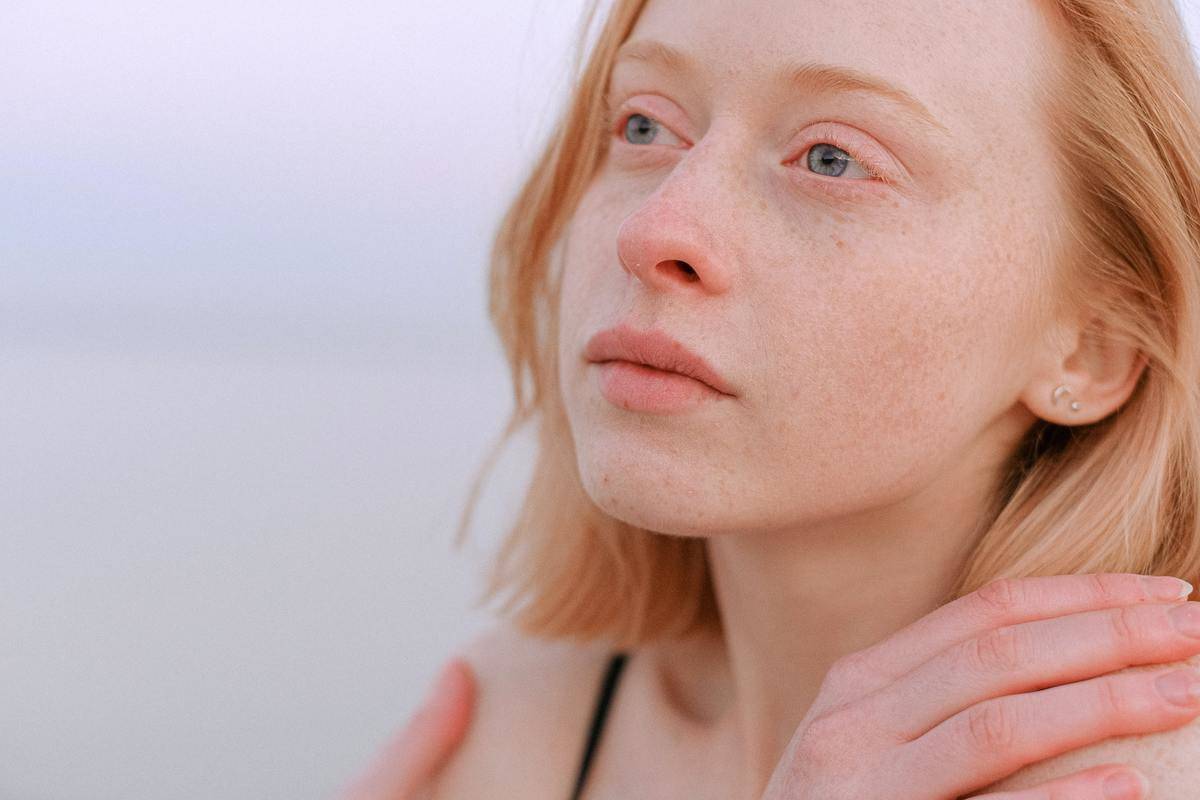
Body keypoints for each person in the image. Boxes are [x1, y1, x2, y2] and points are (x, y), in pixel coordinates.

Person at [348, 0, 1200, 796]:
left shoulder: (1142, 771)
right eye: (644, 125)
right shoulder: (508, 719)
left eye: (833, 158)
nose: (654, 231)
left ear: (1097, 347)